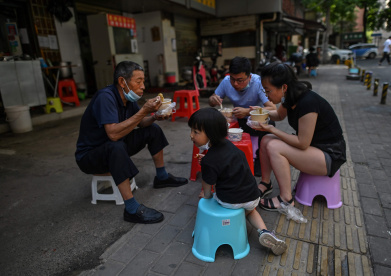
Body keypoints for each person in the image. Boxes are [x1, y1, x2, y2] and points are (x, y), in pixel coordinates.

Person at [75, 61, 188, 224]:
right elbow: (113, 134)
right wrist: (143, 111)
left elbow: (140, 123)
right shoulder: (105, 97)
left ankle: (162, 177)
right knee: (116, 146)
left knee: (152, 129)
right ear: (122, 82)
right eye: (138, 81)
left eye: (143, 81)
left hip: (114, 145)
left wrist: (155, 116)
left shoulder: (129, 98)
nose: (143, 86)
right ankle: (131, 208)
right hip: (90, 156)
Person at [254, 63, 346, 222]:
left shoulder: (307, 102)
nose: (266, 95)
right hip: (314, 149)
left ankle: (285, 200)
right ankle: (266, 183)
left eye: (268, 90)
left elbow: (302, 143)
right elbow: (278, 115)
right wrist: (255, 112)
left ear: (283, 87)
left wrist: (273, 130)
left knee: (274, 145)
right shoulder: (291, 96)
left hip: (329, 155)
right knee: (266, 140)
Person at [188, 107, 287, 255]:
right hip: (253, 196)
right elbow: (223, 166)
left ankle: (231, 225)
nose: (191, 136)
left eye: (196, 132)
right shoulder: (233, 148)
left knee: (231, 208)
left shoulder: (210, 160)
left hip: (230, 201)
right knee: (250, 210)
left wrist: (206, 195)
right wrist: (208, 163)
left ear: (211, 134)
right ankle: (264, 231)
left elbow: (208, 185)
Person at [208, 57, 276, 177]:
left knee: (269, 127)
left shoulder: (258, 82)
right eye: (233, 79)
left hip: (256, 121)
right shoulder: (226, 81)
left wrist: (248, 111)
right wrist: (213, 99)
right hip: (239, 121)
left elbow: (272, 108)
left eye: (240, 80)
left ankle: (261, 161)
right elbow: (211, 100)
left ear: (249, 77)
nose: (235, 84)